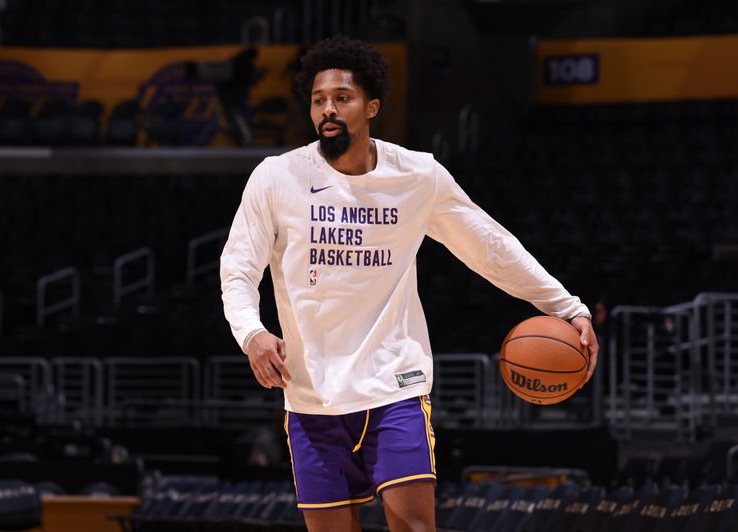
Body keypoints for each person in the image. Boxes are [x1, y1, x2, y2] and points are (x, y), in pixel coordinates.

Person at [220, 35, 599, 532]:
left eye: (342, 97)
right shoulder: (276, 177)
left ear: (371, 105)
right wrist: (252, 333)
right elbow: (238, 269)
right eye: (318, 100)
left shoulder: (418, 174)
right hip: (311, 394)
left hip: (393, 385)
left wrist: (568, 306)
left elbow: (489, 246)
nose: (328, 109)